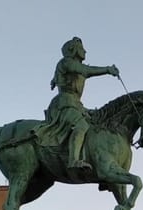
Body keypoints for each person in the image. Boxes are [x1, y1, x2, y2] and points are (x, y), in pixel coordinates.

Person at [34, 37, 120, 173]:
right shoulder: (67, 63)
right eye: (81, 49)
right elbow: (86, 71)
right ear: (73, 50)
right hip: (64, 104)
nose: (85, 51)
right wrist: (107, 69)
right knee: (82, 126)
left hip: (75, 104)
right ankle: (73, 160)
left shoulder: (73, 65)